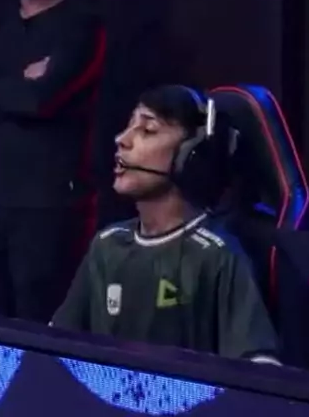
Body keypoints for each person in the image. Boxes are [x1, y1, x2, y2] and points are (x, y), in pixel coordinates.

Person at [50, 85, 279, 363]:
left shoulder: (217, 256)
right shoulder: (107, 245)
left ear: (191, 155)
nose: (122, 140)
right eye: (128, 127)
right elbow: (55, 346)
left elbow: (258, 366)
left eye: (148, 130)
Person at [0, 0, 106, 322]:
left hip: (50, 207)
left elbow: (40, 100)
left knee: (41, 325)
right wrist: (0, 85)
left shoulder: (81, 24)